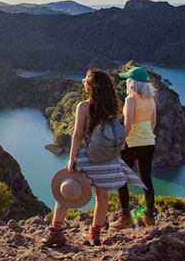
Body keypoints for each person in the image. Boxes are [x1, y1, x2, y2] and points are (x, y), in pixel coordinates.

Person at [42, 68, 145, 247]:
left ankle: (55, 233)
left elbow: (77, 135)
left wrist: (72, 159)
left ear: (91, 87)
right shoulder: (113, 107)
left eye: (86, 81)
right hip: (108, 159)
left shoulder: (84, 106)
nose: (83, 82)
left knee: (65, 191)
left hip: (87, 157)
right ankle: (94, 234)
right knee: (102, 197)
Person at [112, 66, 158, 228]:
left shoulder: (130, 99)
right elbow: (153, 123)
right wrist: (146, 136)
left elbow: (127, 125)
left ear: (132, 82)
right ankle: (149, 215)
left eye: (128, 79)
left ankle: (125, 217)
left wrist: (121, 143)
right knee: (146, 179)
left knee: (121, 178)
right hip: (149, 142)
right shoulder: (151, 99)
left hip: (132, 143)